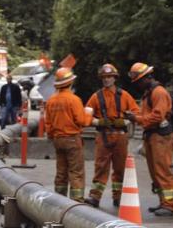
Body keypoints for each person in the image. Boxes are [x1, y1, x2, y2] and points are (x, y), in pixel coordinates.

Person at [124, 62, 173, 216]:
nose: (138, 85)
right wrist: (135, 116)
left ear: (147, 78)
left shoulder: (158, 92)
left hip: (161, 136)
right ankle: (163, 202)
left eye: (139, 81)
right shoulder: (149, 93)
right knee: (155, 171)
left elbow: (157, 116)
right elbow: (148, 115)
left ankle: (170, 204)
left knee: (163, 170)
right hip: (153, 136)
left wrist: (137, 118)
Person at [84, 64, 139, 208]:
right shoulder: (96, 97)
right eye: (104, 77)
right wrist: (98, 121)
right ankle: (95, 196)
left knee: (120, 168)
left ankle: (118, 197)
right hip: (103, 135)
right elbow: (86, 116)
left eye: (109, 77)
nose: (106, 79)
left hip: (120, 136)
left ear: (115, 78)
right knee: (100, 167)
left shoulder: (124, 95)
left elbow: (136, 113)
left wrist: (125, 121)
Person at [45, 67, 93, 202]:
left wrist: (52, 136)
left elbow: (48, 123)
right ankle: (76, 201)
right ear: (70, 82)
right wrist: (88, 114)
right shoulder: (74, 100)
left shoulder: (51, 101)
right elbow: (81, 121)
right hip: (72, 139)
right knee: (76, 171)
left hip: (58, 140)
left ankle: (59, 199)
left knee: (61, 171)